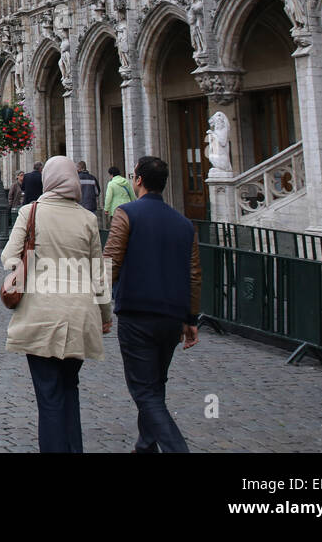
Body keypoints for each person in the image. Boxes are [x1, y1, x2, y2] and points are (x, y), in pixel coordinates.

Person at [1, 155, 112, 453]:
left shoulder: (30, 212)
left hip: (41, 315)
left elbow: (9, 257)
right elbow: (100, 274)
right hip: (79, 316)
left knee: (48, 395)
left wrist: (30, 265)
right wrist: (106, 315)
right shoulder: (88, 218)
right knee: (69, 388)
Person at [103, 156, 201, 453]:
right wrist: (191, 319)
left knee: (144, 389)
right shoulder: (185, 224)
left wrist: (98, 305)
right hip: (171, 317)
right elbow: (194, 274)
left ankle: (176, 448)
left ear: (138, 180)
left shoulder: (126, 213)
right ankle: (146, 445)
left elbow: (110, 262)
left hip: (137, 313)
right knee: (156, 384)